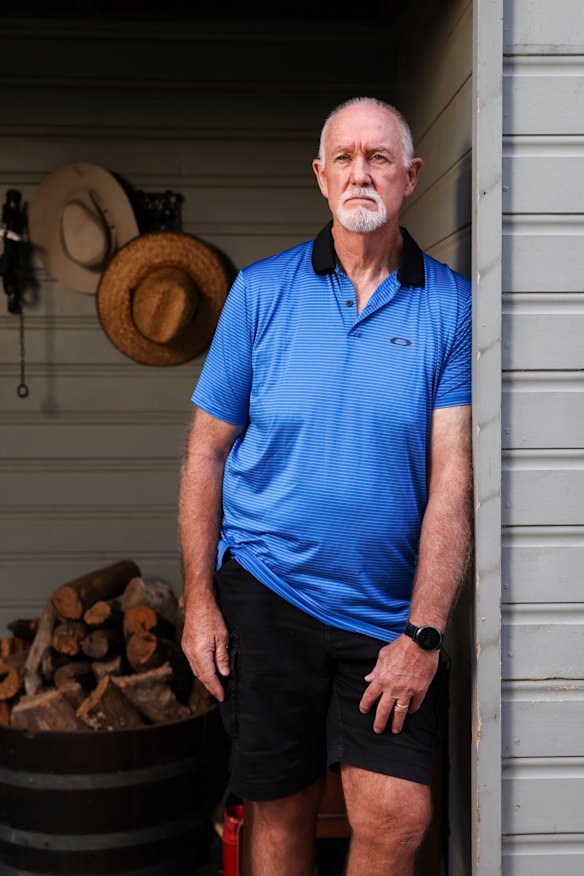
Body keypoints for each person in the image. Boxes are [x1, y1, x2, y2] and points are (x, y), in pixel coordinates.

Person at [179, 96, 472, 876]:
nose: (360, 172)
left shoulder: (451, 307)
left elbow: (453, 482)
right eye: (344, 157)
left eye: (379, 158)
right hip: (268, 592)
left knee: (399, 820)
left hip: (387, 612)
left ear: (410, 177)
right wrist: (199, 600)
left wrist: (425, 633)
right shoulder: (261, 293)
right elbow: (206, 454)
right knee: (280, 813)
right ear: (319, 175)